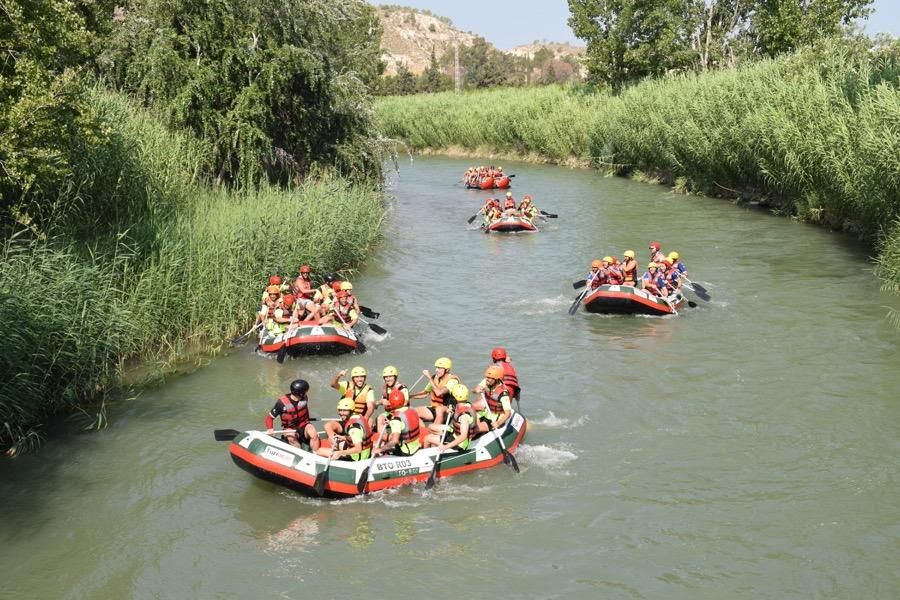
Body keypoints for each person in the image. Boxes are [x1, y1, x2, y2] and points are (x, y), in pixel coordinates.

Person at [265, 379, 320, 450]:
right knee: (291, 438)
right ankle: (300, 453)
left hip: (304, 425)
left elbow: (304, 411)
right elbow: (269, 418)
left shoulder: (304, 399)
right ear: (301, 393)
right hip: (290, 428)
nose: (306, 393)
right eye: (305, 391)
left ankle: (315, 453)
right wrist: (270, 429)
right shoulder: (281, 403)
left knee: (314, 434)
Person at [424, 384, 475, 451]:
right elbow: (458, 411)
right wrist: (452, 411)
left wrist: (446, 447)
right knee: (431, 427)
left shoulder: (464, 416)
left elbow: (463, 436)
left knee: (427, 438)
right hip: (454, 432)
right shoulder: (465, 404)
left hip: (460, 444)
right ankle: (436, 444)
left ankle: (429, 454)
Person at [410, 357, 459, 426]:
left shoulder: (453, 381)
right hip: (435, 408)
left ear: (447, 370)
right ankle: (423, 431)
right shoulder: (434, 378)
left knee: (439, 410)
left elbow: (439, 393)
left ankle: (433, 430)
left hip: (447, 411)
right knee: (412, 413)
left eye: (439, 368)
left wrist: (429, 377)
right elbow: (425, 393)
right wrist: (410, 396)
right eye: (436, 368)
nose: (436, 370)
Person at [373, 388, 421, 457]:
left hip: (406, 452)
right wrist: (390, 422)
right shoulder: (412, 409)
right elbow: (406, 423)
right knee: (386, 437)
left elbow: (394, 441)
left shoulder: (396, 420)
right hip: (415, 445)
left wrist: (380, 449)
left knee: (377, 443)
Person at [472, 365, 512, 433]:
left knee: (473, 429)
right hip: (486, 412)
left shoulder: (503, 394)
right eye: (487, 377)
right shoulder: (487, 382)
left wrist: (498, 423)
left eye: (490, 378)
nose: (487, 379)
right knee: (468, 418)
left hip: (494, 419)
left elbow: (508, 413)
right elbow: (474, 390)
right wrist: (476, 390)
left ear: (496, 379)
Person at [377, 365, 408, 431]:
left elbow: (405, 403)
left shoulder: (402, 389)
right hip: (390, 413)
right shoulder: (386, 388)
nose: (388, 379)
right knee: (379, 418)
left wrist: (392, 418)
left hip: (401, 413)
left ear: (395, 377)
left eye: (390, 376)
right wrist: (380, 402)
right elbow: (381, 402)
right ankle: (384, 438)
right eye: (386, 377)